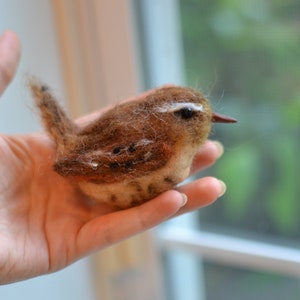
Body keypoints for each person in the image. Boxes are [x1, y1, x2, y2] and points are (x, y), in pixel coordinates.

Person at [0, 30, 226, 284]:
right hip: (88, 169)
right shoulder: (162, 149)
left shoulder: (171, 145)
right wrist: (74, 161)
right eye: (190, 116)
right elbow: (97, 162)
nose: (205, 123)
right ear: (178, 119)